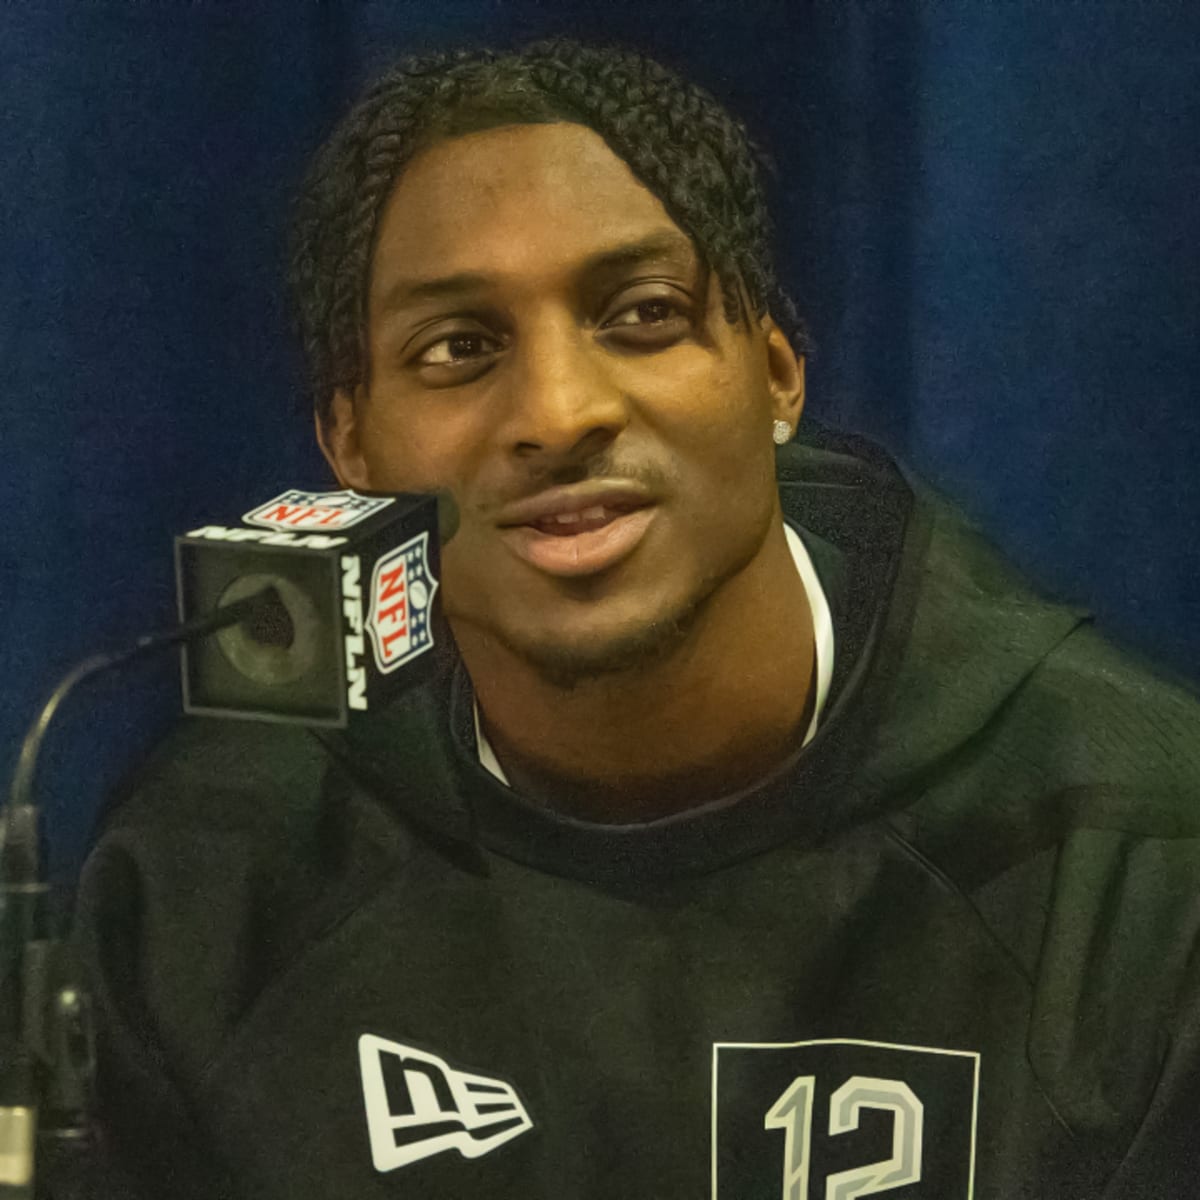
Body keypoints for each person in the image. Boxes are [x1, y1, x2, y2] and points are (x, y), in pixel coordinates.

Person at [75, 38, 1200, 1199]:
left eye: (642, 315)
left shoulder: (1144, 864)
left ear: (775, 371)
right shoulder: (206, 882)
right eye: (460, 349)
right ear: (350, 444)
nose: (559, 413)